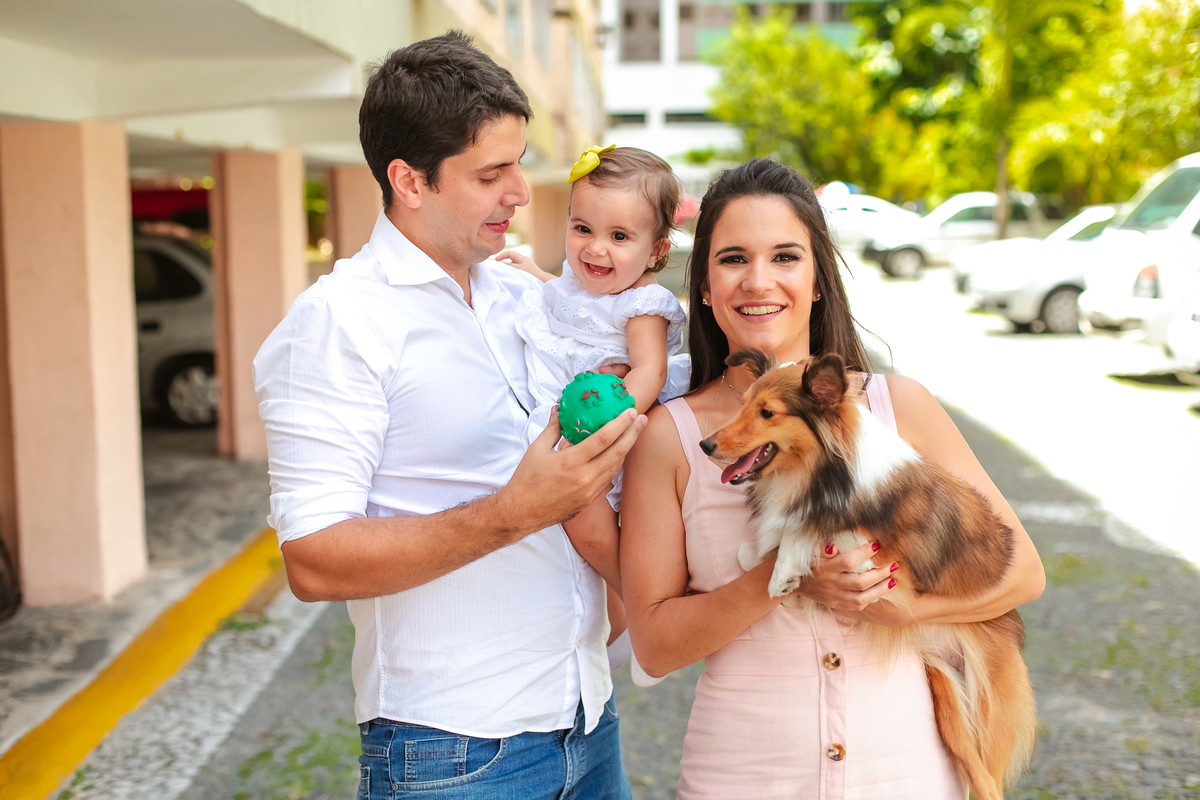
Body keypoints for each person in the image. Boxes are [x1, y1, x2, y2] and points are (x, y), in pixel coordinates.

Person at [253, 32, 643, 800]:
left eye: (519, 162)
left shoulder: (523, 294)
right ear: (409, 181)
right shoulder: (339, 322)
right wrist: (512, 513)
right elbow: (313, 558)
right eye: (492, 172)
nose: (522, 192)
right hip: (454, 756)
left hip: (588, 721)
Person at [619, 159, 1046, 798]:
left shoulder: (898, 408)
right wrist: (782, 577)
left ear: (818, 279)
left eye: (785, 257)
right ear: (704, 285)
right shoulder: (670, 438)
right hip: (741, 777)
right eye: (733, 259)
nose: (758, 281)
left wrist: (911, 611)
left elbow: (1024, 574)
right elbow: (652, 645)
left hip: (908, 778)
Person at [496, 145, 690, 601]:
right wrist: (537, 275)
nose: (595, 248)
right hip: (569, 412)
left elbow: (651, 370)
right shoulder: (581, 279)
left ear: (656, 250)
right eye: (582, 228)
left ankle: (636, 596)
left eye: (620, 237)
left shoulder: (643, 302)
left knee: (584, 519)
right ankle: (616, 605)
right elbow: (572, 307)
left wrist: (606, 425)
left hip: (602, 423)